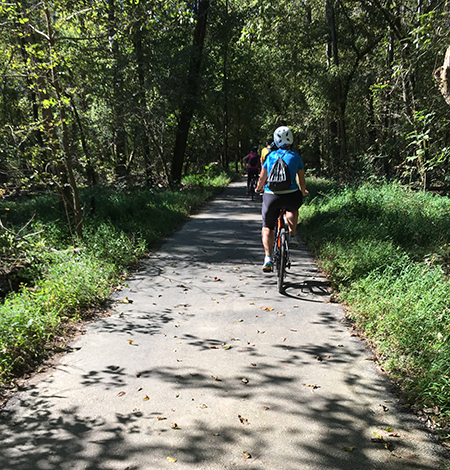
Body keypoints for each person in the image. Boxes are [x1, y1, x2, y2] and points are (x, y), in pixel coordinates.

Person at [255, 126, 309, 272]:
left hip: (271, 197)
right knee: (293, 208)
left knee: (267, 227)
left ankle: (267, 258)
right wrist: (303, 191)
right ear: (291, 140)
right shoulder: (296, 157)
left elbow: (262, 177)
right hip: (291, 195)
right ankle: (292, 236)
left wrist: (259, 188)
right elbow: (301, 180)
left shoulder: (270, 156)